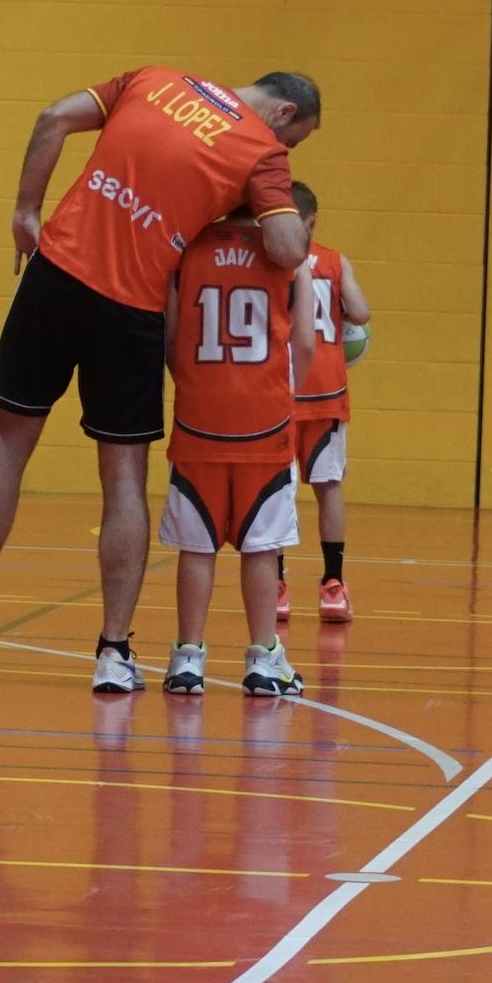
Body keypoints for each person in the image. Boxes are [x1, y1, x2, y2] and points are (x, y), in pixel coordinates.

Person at [0, 68, 320, 688]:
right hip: (131, 305)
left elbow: (53, 116)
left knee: (6, 444)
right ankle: (113, 651)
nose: (287, 154)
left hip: (56, 271)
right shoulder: (261, 150)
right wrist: (263, 196)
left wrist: (27, 211)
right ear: (285, 115)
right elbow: (290, 247)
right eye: (296, 142)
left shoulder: (153, 79)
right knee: (123, 473)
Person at [158, 207, 315, 696]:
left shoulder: (188, 244)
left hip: (199, 417)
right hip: (264, 421)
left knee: (197, 545)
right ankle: (264, 659)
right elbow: (305, 343)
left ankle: (188, 658)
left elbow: (170, 334)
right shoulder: (288, 252)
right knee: (262, 546)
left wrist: (195, 384)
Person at [278, 180, 370, 622]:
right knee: (328, 487)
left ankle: (276, 584)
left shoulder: (272, 260)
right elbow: (361, 312)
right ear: (314, 220)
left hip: (279, 390)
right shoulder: (334, 262)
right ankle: (332, 584)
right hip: (327, 391)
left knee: (279, 490)